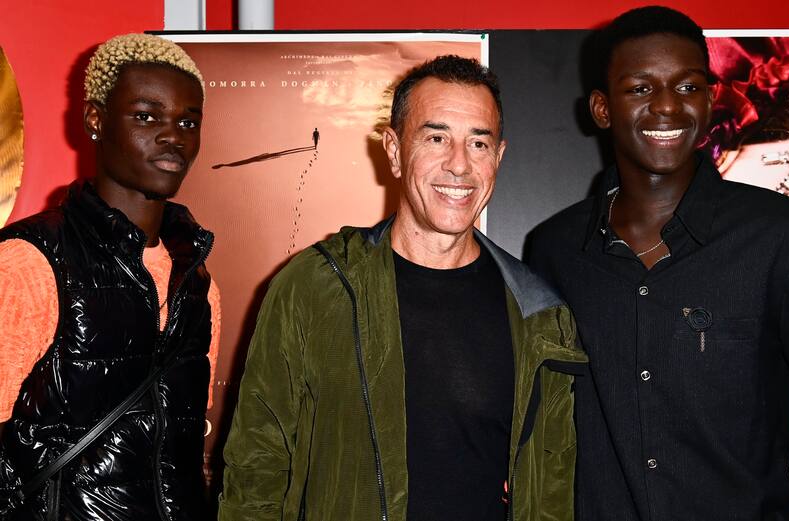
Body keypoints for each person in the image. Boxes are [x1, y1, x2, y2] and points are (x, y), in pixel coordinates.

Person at [219, 55, 586, 521]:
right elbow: (256, 466)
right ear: (393, 149)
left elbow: (553, 492)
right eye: (436, 138)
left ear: (498, 156)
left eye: (478, 143)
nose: (459, 165)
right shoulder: (316, 286)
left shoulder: (538, 312)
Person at [527, 6, 789, 520]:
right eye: (641, 88)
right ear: (602, 109)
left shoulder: (787, 237)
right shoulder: (554, 251)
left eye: (689, 87)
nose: (667, 107)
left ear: (711, 99)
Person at [0, 34, 221, 520]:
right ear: (95, 121)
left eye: (188, 121)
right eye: (146, 116)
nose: (172, 136)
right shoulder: (30, 263)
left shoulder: (198, 283)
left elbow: (181, 447)